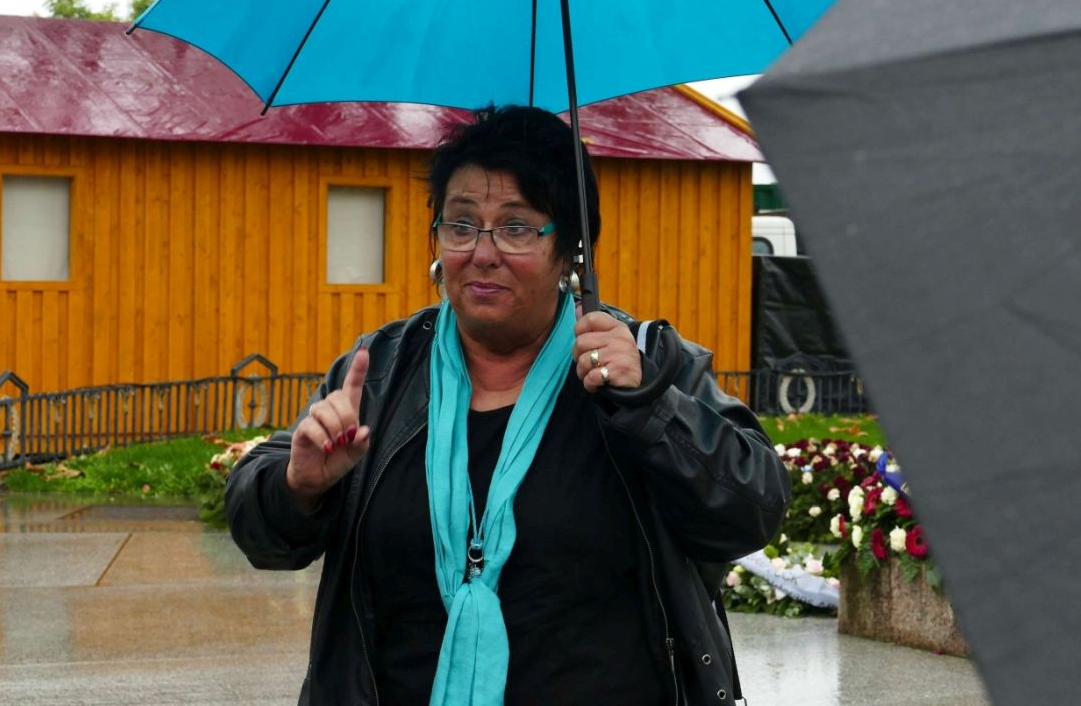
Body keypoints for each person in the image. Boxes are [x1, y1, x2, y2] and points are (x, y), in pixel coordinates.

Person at [225, 105, 791, 706]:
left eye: (516, 227)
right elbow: (262, 532)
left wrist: (649, 406)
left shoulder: (642, 366)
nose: (482, 252)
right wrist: (297, 487)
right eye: (461, 224)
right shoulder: (381, 371)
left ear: (571, 250)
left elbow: (754, 510)